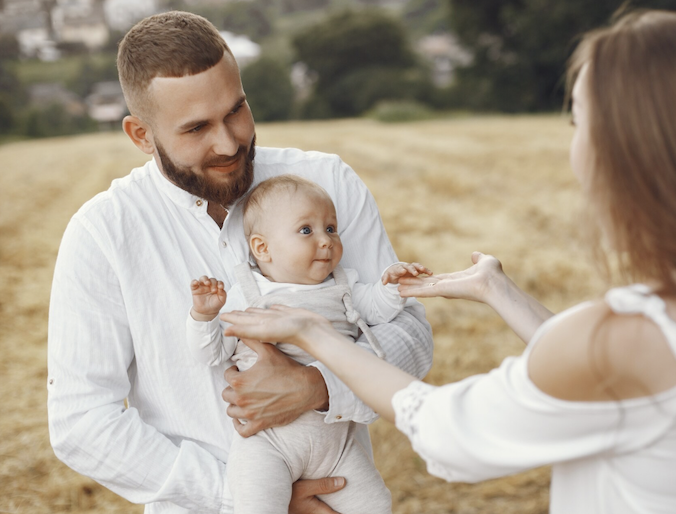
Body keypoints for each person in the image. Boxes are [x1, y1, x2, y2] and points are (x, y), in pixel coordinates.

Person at [220, 10, 676, 514]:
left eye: (577, 120)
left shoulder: (624, 335)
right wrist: (498, 291)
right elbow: (623, 378)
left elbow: (447, 433)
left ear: (621, 151)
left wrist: (311, 332)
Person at [46, 11, 433, 514]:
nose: (228, 142)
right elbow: (82, 420)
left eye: (236, 110)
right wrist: (249, 498)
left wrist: (318, 387)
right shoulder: (103, 233)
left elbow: (412, 339)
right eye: (196, 128)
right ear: (141, 135)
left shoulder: (327, 182)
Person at [187, 174, 430, 513]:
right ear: (262, 248)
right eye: (307, 231)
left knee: (376, 504)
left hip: (338, 447)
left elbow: (377, 310)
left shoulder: (343, 284)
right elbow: (210, 354)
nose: (326, 240)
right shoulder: (246, 294)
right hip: (269, 443)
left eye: (331, 228)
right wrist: (204, 317)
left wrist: (392, 287)